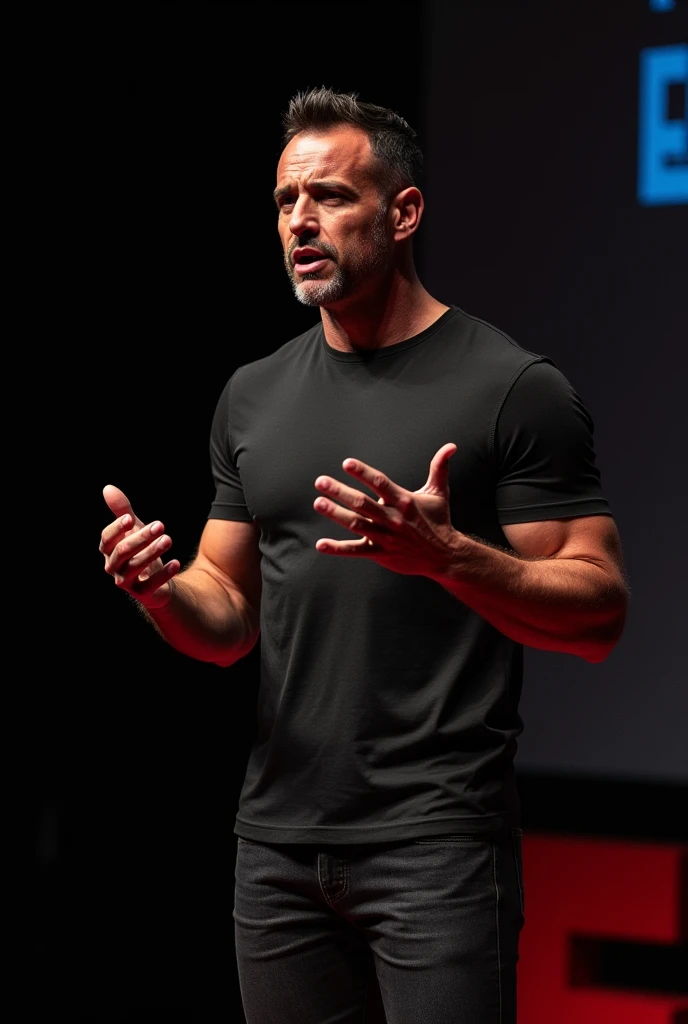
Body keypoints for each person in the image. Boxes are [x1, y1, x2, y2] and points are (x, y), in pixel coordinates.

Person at [99, 87, 628, 1024]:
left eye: (332, 197)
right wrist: (160, 592)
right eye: (284, 201)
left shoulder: (514, 388)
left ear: (405, 212)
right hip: (276, 854)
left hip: (437, 847)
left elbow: (598, 613)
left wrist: (449, 556)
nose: (301, 221)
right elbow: (224, 621)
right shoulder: (252, 395)